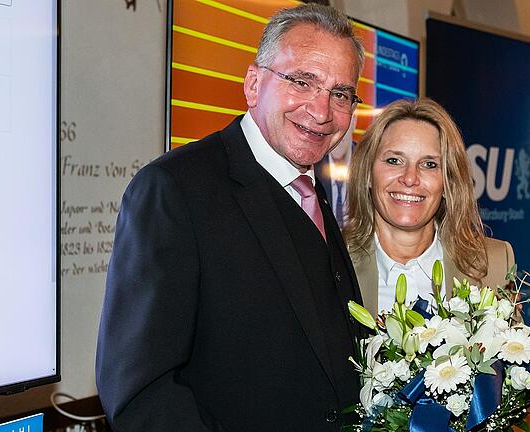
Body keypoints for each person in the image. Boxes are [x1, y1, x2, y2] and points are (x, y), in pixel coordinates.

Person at [96, 5, 365, 431]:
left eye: (341, 93)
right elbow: (141, 393)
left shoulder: (319, 188)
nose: (321, 110)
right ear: (254, 84)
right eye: (302, 82)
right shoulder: (173, 190)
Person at [343, 98, 514, 317]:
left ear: (448, 182)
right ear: (367, 173)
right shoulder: (333, 263)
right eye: (394, 160)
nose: (410, 178)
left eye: (429, 164)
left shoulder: (495, 263)